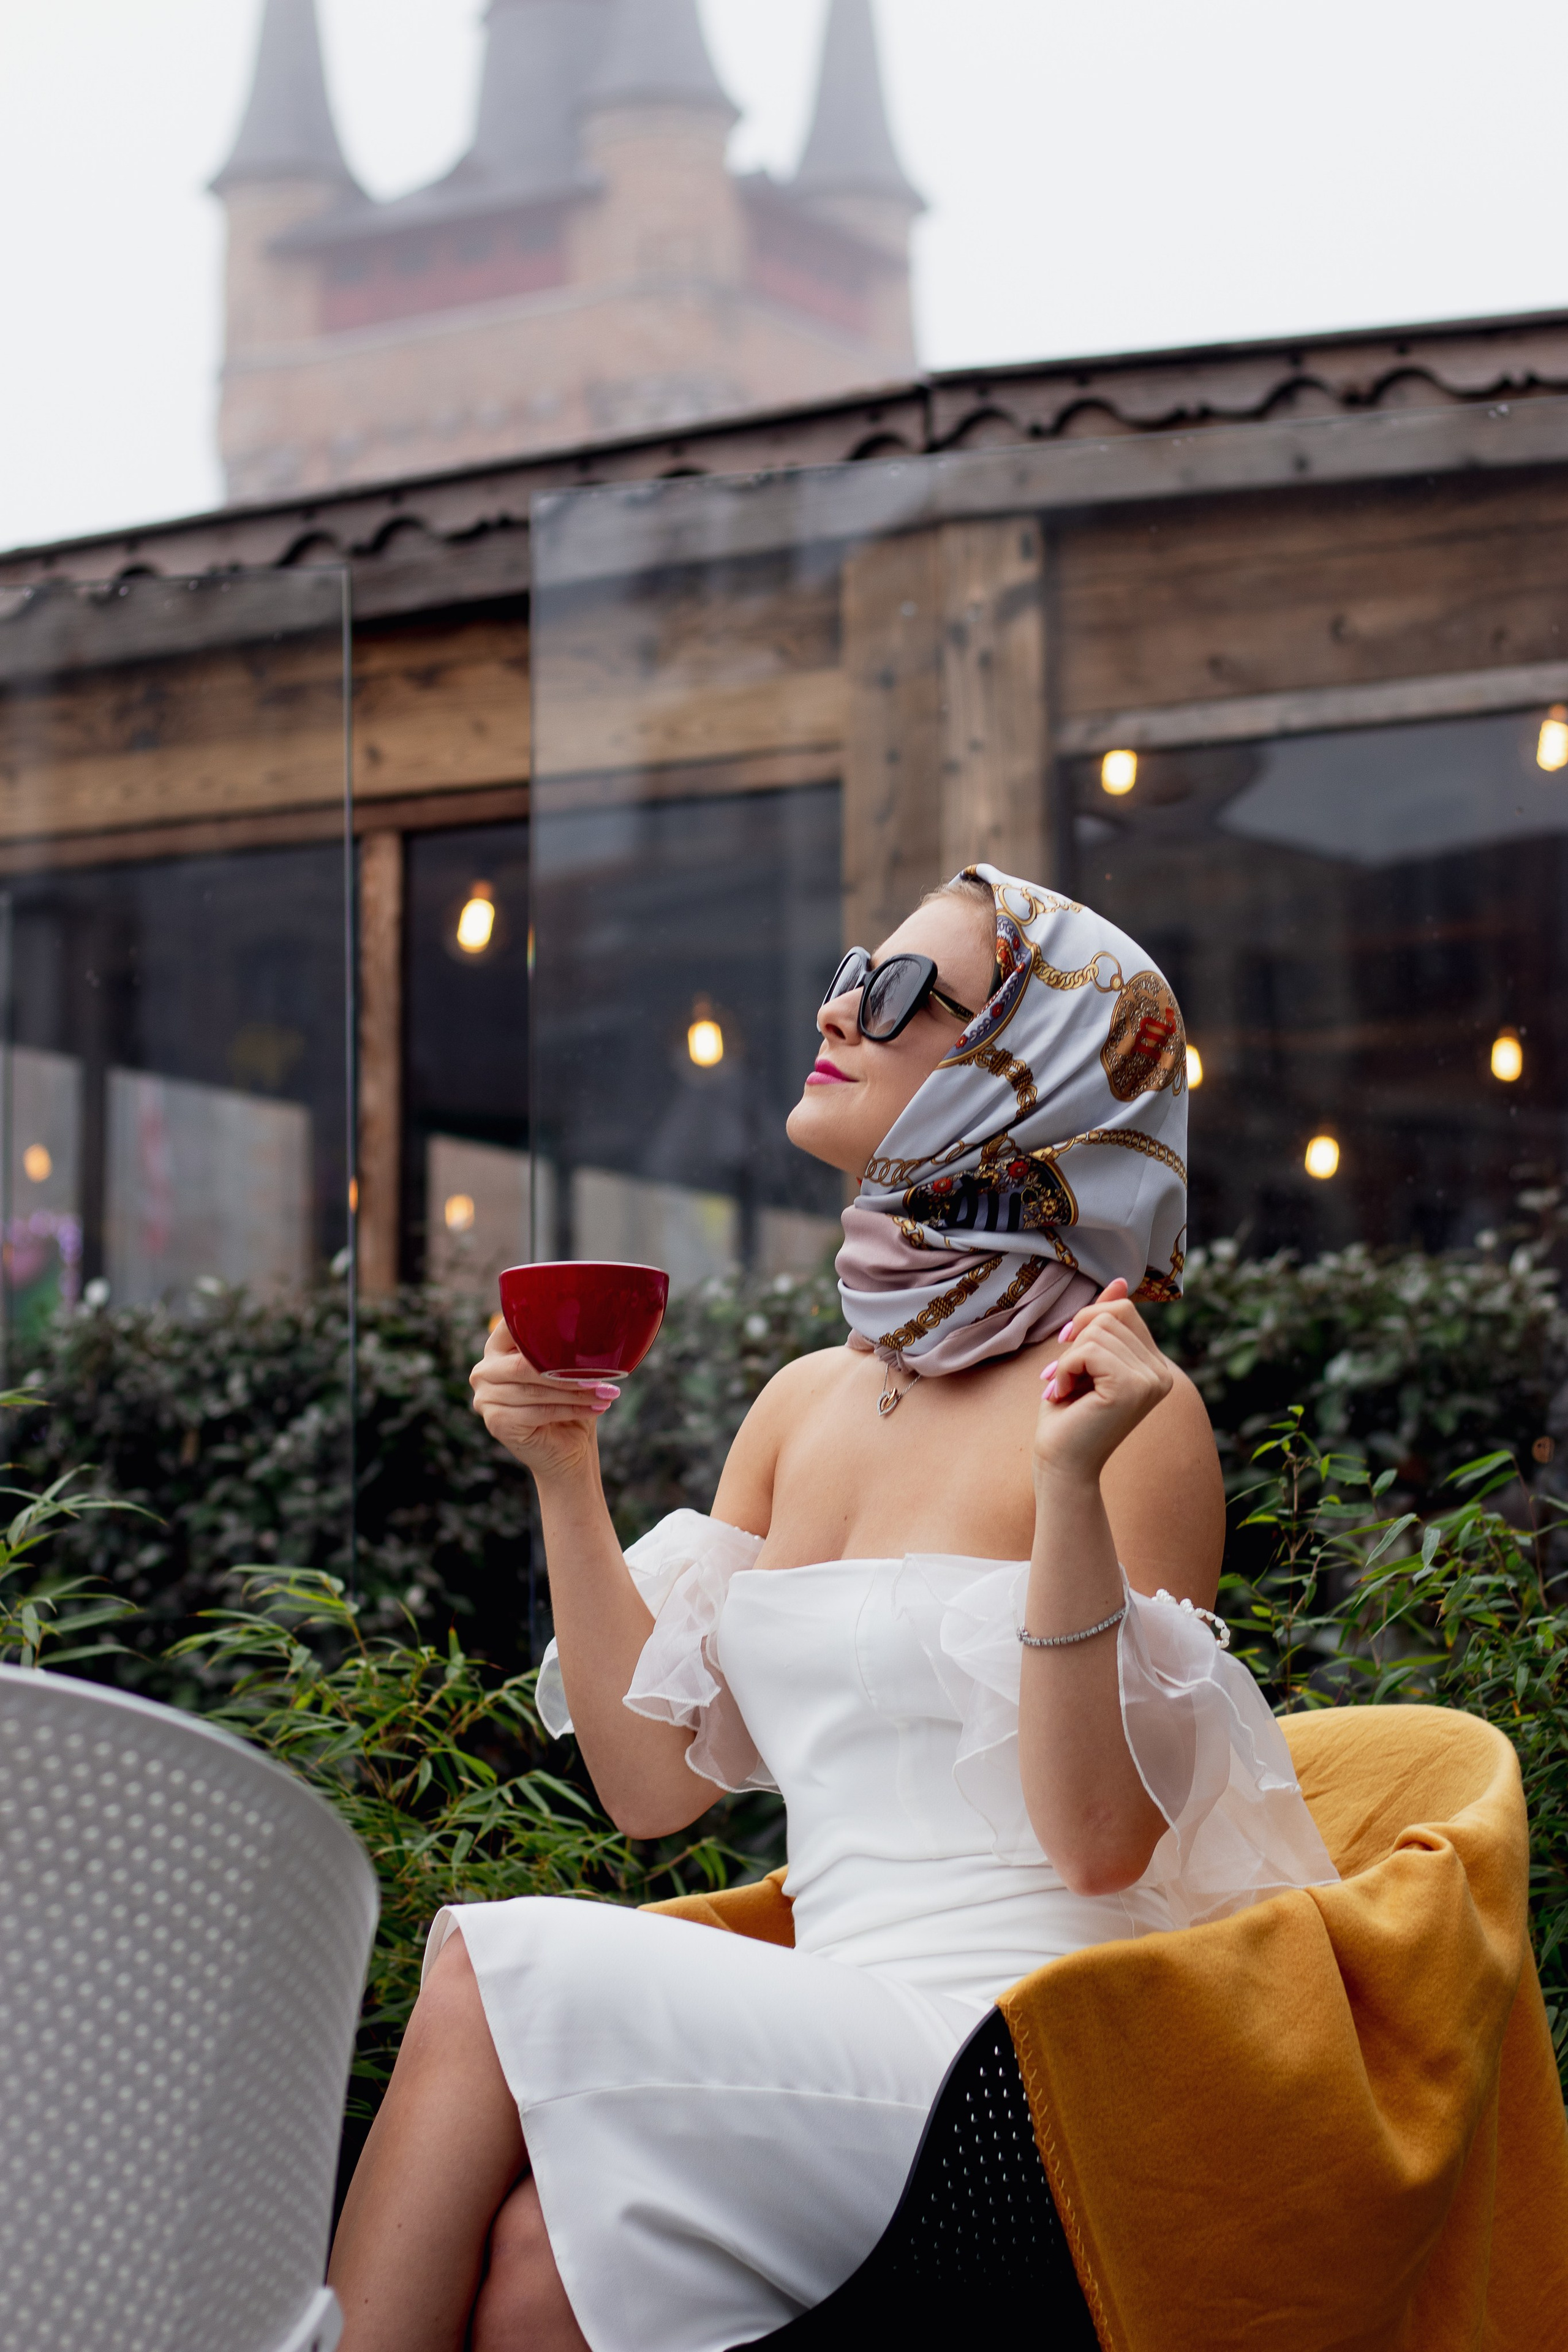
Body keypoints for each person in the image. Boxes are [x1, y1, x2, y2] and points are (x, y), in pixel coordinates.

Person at [329, 864, 1338, 2352]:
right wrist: (561, 1467)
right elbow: (650, 1786)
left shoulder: (1129, 1406)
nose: (832, 1007)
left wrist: (1067, 1491)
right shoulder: (806, 1401)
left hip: (1023, 2075)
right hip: (834, 2032)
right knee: (544, 2270)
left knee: (489, 1955)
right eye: (848, 969)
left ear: (1022, 1067)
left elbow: (1101, 1842)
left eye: (890, 991)